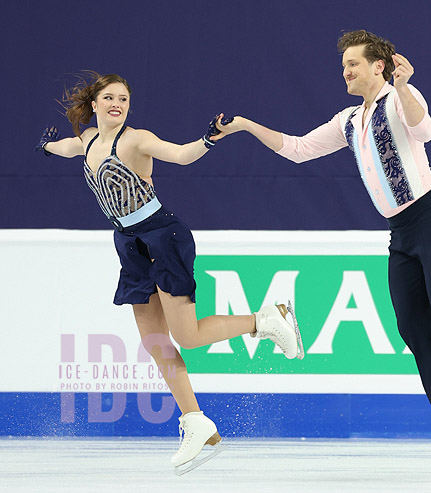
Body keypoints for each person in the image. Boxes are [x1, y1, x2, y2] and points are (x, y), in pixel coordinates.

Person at [214, 30, 431, 474]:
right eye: (344, 65)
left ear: (377, 66)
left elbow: (424, 129)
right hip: (401, 234)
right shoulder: (349, 120)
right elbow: (299, 150)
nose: (345, 71)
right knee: (414, 330)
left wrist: (402, 85)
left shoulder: (400, 95)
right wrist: (245, 126)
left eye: (353, 64)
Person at [36, 71, 304, 474]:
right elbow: (64, 147)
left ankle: (266, 319)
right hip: (128, 244)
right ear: (94, 104)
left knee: (187, 336)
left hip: (162, 235)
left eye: (123, 99)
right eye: (109, 98)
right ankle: (196, 422)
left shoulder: (136, 139)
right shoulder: (87, 140)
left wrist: (210, 138)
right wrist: (46, 146)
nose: (117, 105)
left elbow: (180, 154)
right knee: (156, 342)